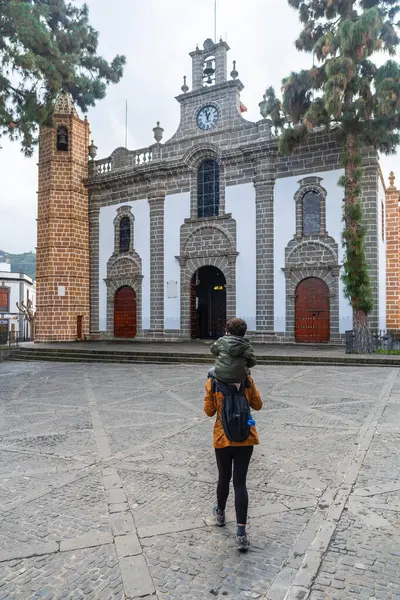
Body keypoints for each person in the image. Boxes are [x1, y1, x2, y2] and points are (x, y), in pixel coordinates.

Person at [204, 364, 263, 552]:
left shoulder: (213, 381)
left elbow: (208, 411)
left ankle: (220, 514)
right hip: (246, 437)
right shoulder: (246, 379)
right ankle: (241, 535)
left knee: (223, 477)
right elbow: (258, 405)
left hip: (222, 438)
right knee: (240, 483)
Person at [210, 318, 256, 383]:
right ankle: (246, 391)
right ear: (244, 332)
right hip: (240, 377)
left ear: (228, 331)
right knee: (247, 376)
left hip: (221, 375)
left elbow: (213, 350)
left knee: (211, 372)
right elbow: (252, 362)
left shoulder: (221, 341)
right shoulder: (247, 346)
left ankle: (212, 392)